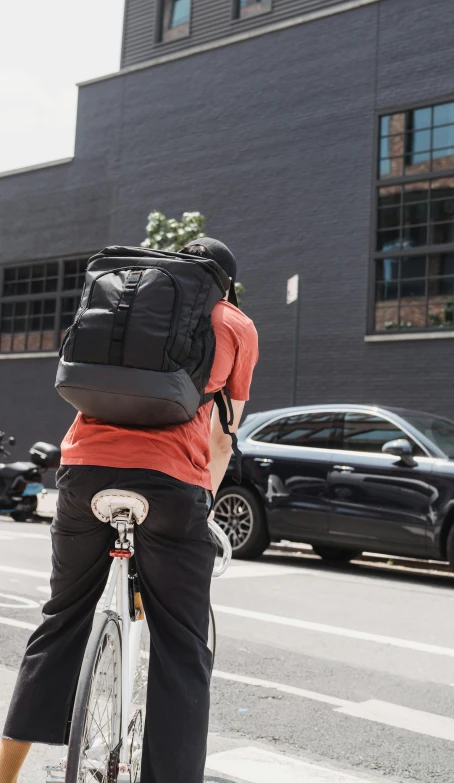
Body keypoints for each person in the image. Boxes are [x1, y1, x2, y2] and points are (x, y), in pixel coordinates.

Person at [0, 238, 258, 783]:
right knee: (183, 646)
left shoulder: (128, 300)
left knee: (62, 618)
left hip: (85, 471)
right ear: (227, 284)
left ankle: (5, 772)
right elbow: (221, 439)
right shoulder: (235, 324)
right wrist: (199, 508)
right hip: (170, 482)